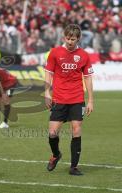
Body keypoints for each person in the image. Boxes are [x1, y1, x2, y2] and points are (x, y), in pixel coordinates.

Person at [44, 24, 94, 176]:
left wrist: (91, 99)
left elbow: (88, 78)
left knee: (76, 130)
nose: (70, 41)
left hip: (77, 98)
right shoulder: (55, 52)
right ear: (63, 37)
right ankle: (56, 154)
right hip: (59, 97)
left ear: (78, 38)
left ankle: (74, 167)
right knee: (52, 132)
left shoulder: (84, 55)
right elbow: (48, 73)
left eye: (73, 39)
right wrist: (46, 92)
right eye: (67, 38)